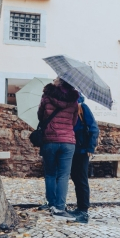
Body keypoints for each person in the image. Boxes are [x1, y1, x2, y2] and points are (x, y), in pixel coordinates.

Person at [37, 77, 79, 220]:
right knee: (63, 175)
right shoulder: (74, 102)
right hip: (67, 141)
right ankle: (59, 209)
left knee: (50, 174)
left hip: (49, 140)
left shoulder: (47, 98)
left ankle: (51, 203)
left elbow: (40, 116)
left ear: (58, 83)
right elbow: (74, 122)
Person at [69, 95, 99, 224]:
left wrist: (90, 148)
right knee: (76, 177)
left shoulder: (82, 107)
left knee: (81, 179)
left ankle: (83, 209)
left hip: (82, 149)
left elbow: (93, 128)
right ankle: (80, 207)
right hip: (73, 148)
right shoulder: (69, 108)